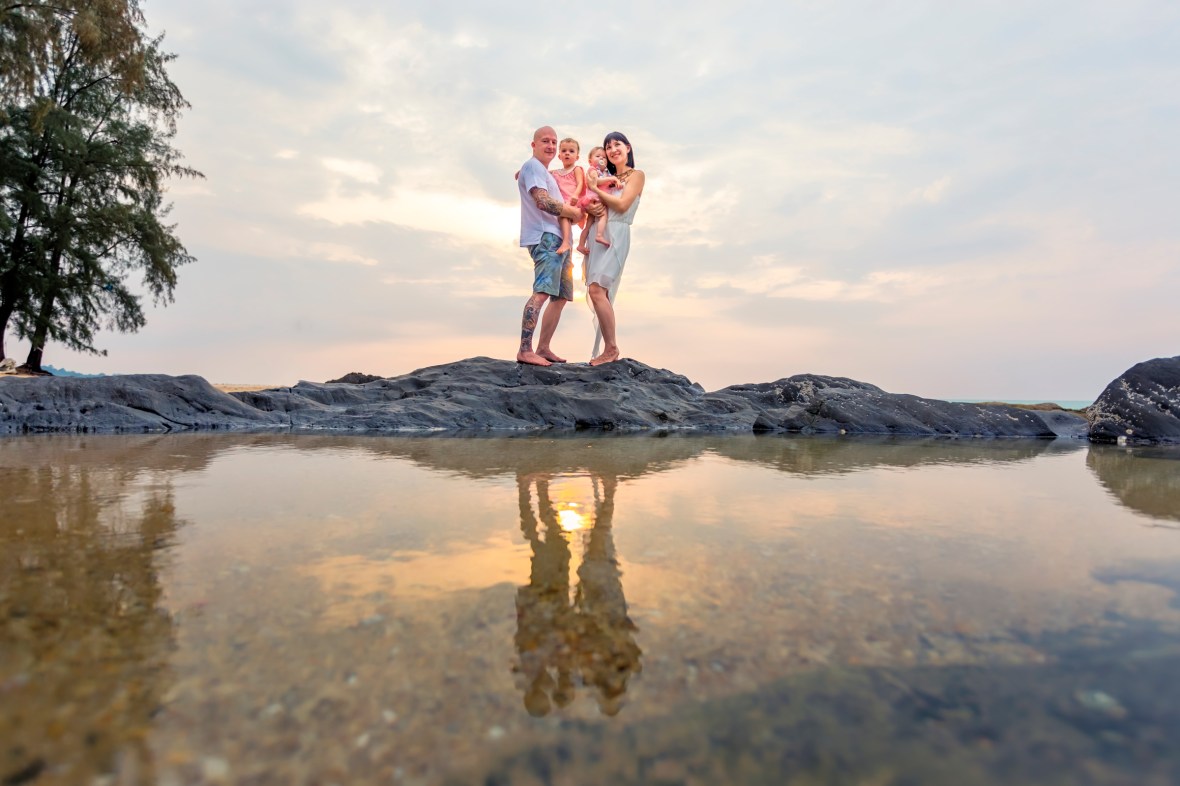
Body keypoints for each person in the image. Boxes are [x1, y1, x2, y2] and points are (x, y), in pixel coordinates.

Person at [517, 126, 584, 367]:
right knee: (543, 291)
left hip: (559, 239)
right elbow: (542, 201)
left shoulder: (545, 172)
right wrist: (573, 212)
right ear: (533, 145)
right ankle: (525, 349)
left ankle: (543, 347)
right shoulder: (533, 166)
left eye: (554, 142)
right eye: (545, 141)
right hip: (545, 238)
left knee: (561, 296)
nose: (551, 146)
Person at [583, 131, 644, 365]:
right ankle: (606, 349)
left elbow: (621, 204)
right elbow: (582, 194)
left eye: (617, 144)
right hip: (597, 234)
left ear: (628, 148)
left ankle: (611, 349)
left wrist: (596, 190)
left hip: (617, 233)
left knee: (598, 289)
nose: (612, 150)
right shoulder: (604, 176)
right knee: (598, 292)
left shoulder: (636, 175)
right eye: (608, 147)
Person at [576, 146, 620, 254]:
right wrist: (611, 179)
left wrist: (612, 181)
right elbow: (596, 182)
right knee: (603, 216)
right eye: (598, 156)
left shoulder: (605, 171)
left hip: (596, 199)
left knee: (588, 225)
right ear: (590, 161)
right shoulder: (593, 170)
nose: (601, 158)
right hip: (595, 198)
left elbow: (606, 184)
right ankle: (599, 235)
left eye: (604, 157)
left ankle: (581, 245)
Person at [550, 138, 586, 255]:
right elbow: (540, 171)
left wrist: (575, 195)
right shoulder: (556, 172)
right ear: (559, 155)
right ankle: (567, 246)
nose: (567, 153)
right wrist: (524, 170)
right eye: (564, 151)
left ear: (577, 157)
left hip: (574, 203)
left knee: (563, 214)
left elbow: (580, 183)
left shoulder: (576, 169)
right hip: (563, 204)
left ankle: (566, 243)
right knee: (562, 217)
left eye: (571, 151)